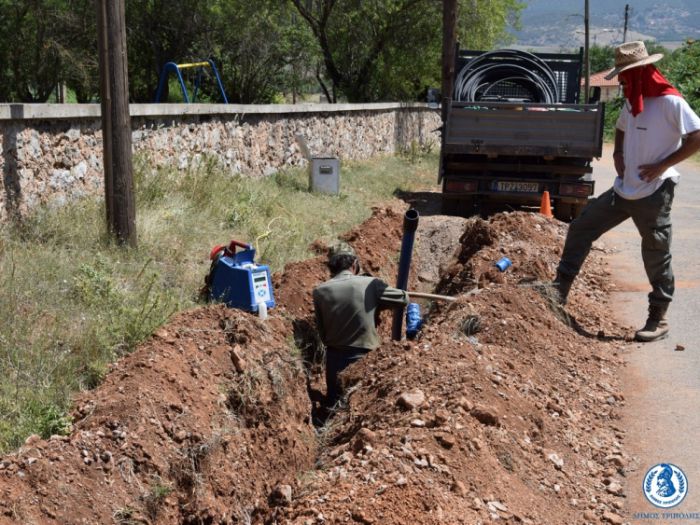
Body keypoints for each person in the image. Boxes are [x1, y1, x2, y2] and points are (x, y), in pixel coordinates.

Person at [553, 41, 700, 342]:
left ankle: (657, 318)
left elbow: (697, 136)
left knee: (656, 254)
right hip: (623, 191)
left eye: (624, 75)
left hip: (655, 192)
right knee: (581, 227)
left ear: (640, 72)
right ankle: (558, 293)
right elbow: (621, 128)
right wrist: (619, 153)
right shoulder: (633, 101)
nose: (620, 80)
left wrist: (662, 165)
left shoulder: (671, 103)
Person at [313, 242, 408, 406]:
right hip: (364, 359)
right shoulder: (370, 284)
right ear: (354, 264)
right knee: (360, 405)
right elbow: (402, 298)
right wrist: (375, 301)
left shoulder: (320, 291)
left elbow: (322, 331)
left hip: (333, 359)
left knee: (333, 405)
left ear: (331, 267)